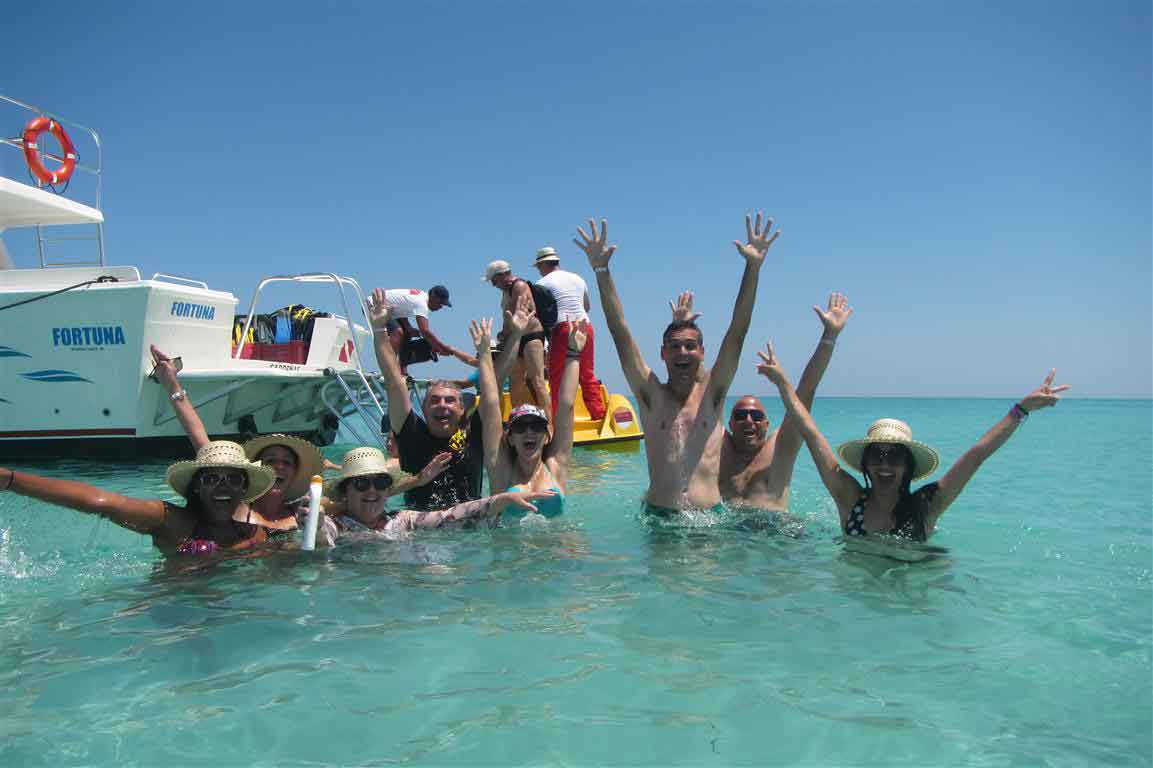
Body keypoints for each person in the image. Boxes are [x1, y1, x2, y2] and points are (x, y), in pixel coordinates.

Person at [755, 343, 1069, 541]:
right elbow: (811, 434)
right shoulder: (849, 498)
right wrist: (784, 385)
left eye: (894, 457)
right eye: (877, 455)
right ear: (865, 464)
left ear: (908, 465)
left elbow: (977, 455)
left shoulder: (927, 505)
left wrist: (1021, 409)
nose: (884, 464)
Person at [575, 214, 779, 514]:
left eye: (690, 346)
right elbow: (620, 332)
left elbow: (738, 331)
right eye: (674, 347)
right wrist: (602, 271)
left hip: (709, 521)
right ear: (663, 354)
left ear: (702, 352)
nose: (682, 352)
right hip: (660, 520)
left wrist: (753, 268)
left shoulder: (713, 394)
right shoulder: (651, 396)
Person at [369, 287, 532, 510]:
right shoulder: (410, 433)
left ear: (463, 410)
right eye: (434, 400)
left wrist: (516, 335)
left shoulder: (473, 435)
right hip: (419, 530)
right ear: (423, 410)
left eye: (450, 400)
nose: (442, 405)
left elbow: (494, 385)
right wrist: (379, 328)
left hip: (468, 527)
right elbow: (393, 381)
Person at [150, 346, 325, 536]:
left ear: (295, 472)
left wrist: (320, 527)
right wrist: (171, 382)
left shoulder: (304, 513)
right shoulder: (233, 506)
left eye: (286, 462)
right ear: (255, 471)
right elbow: (198, 435)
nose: (279, 466)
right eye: (271, 460)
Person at [0, 441, 276, 555]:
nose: (222, 487)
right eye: (211, 478)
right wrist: (11, 480)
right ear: (196, 488)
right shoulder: (171, 522)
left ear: (244, 488)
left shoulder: (255, 535)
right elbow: (102, 502)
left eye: (233, 479)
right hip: (170, 619)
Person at [717, 292, 853, 511]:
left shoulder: (780, 447)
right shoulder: (719, 447)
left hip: (775, 536)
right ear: (730, 424)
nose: (749, 420)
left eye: (757, 415)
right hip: (728, 535)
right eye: (741, 415)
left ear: (767, 424)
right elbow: (707, 392)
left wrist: (829, 336)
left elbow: (806, 392)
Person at [315, 447, 555, 545]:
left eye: (379, 482)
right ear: (345, 490)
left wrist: (501, 500)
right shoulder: (336, 526)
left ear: (388, 489)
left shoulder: (403, 519)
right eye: (360, 483)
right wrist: (315, 527)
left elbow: (449, 516)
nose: (371, 491)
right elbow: (323, 538)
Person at [473, 315, 587, 517]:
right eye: (520, 427)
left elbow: (567, 405)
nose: (529, 432)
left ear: (547, 436)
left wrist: (574, 353)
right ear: (510, 437)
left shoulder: (556, 465)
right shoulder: (502, 469)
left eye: (536, 427)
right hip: (508, 548)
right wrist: (484, 354)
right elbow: (490, 406)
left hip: (555, 546)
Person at [533, 246, 606, 421]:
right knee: (587, 373)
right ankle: (598, 415)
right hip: (585, 325)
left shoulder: (540, 284)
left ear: (542, 265)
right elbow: (586, 307)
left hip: (563, 328)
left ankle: (559, 421)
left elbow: (538, 315)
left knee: (556, 376)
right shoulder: (578, 278)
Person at [484, 259, 550, 410]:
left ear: (501, 275)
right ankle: (517, 418)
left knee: (537, 381)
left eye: (493, 281)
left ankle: (550, 424)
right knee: (515, 382)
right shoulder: (506, 291)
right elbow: (508, 319)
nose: (493, 285)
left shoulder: (519, 286)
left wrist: (502, 336)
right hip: (515, 338)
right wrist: (503, 336)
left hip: (531, 336)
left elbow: (516, 316)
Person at [379, 286, 454, 370]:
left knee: (407, 332)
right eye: (440, 303)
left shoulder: (419, 297)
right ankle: (390, 369)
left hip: (387, 309)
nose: (441, 307)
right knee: (398, 332)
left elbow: (400, 309)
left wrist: (408, 327)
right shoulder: (422, 303)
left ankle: (402, 369)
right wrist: (442, 348)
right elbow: (425, 331)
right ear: (433, 296)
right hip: (375, 306)